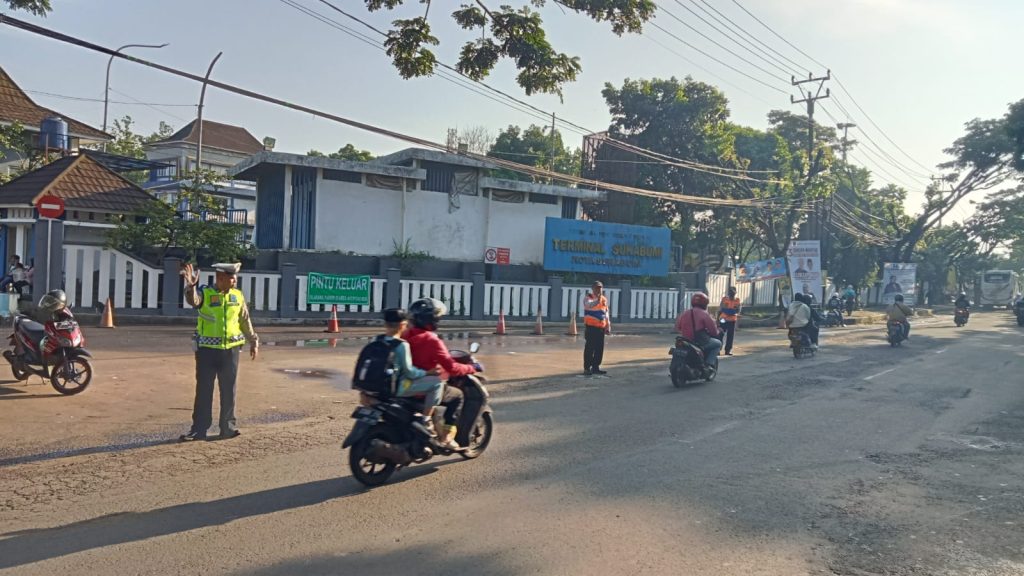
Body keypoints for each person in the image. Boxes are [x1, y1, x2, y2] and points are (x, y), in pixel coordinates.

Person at [179, 262, 259, 442]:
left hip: (231, 351)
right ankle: (198, 430)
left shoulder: (237, 296)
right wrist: (190, 287)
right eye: (232, 278)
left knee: (229, 391)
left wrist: (254, 340)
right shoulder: (205, 293)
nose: (235, 281)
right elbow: (194, 301)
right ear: (220, 278)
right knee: (204, 391)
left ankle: (227, 428)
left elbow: (244, 320)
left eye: (235, 277)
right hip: (207, 351)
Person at [404, 297, 479, 450]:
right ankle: (446, 437)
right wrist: (472, 368)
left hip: (405, 385)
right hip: (423, 388)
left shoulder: (406, 335)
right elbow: (452, 368)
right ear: (432, 319)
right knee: (457, 396)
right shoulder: (432, 340)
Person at [382, 308, 442, 430]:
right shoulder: (402, 345)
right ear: (403, 325)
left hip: (378, 385)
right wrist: (427, 372)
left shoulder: (377, 339)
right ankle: (426, 419)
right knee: (437, 383)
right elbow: (410, 372)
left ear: (385, 324)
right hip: (397, 387)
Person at [675, 292, 723, 369]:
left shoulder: (685, 313)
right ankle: (709, 364)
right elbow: (713, 331)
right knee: (717, 343)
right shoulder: (704, 314)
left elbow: (678, 327)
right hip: (699, 342)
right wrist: (718, 331)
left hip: (686, 341)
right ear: (705, 303)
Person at [582, 281, 612, 376]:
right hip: (591, 328)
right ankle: (587, 368)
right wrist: (597, 300)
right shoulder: (588, 298)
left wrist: (608, 325)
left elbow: (606, 313)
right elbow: (590, 305)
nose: (598, 289)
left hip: (600, 328)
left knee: (599, 349)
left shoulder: (604, 299)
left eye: (600, 288)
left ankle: (596, 367)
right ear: (592, 288)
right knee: (589, 349)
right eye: (596, 288)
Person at [717, 287, 741, 356]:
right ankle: (718, 350)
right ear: (728, 293)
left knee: (730, 336)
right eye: (730, 292)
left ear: (735, 293)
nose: (731, 294)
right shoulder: (724, 299)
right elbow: (720, 310)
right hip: (723, 319)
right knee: (720, 334)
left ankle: (728, 350)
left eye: (733, 293)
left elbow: (738, 310)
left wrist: (733, 312)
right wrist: (717, 320)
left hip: (732, 320)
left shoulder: (737, 300)